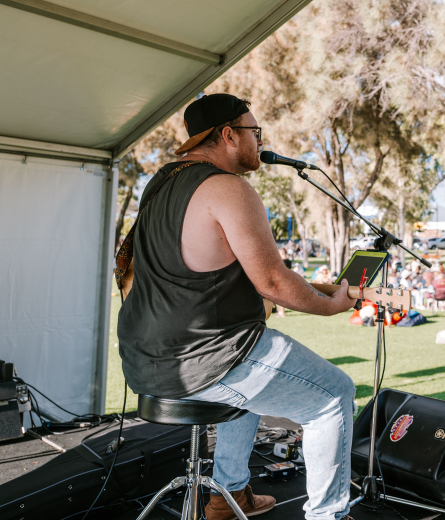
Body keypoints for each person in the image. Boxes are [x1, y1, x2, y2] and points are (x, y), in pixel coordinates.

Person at [117, 94, 357, 520]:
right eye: (254, 131)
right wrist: (330, 306)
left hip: (144, 362)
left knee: (251, 386)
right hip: (203, 359)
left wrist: (318, 287)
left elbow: (203, 275)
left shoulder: (158, 186)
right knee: (334, 396)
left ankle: (229, 496)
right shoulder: (228, 187)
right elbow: (272, 282)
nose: (259, 140)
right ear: (228, 134)